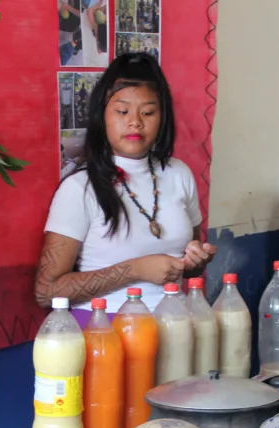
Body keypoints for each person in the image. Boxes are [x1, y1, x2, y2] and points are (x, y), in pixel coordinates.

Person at [35, 52, 215, 323]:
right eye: (122, 111)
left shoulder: (179, 174)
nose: (135, 122)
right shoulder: (79, 188)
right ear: (101, 116)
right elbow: (46, 292)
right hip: (105, 330)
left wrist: (195, 261)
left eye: (148, 112)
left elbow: (188, 268)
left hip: (175, 324)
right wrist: (135, 270)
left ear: (162, 117)